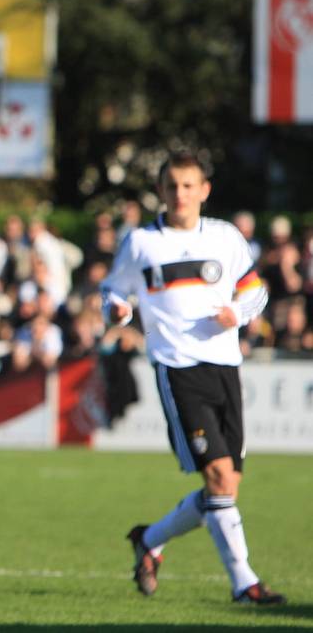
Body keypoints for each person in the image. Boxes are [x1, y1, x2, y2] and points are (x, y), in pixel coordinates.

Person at [101, 153, 285, 605]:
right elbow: (112, 291)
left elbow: (254, 290)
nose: (179, 194)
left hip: (225, 367)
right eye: (171, 186)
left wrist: (236, 313)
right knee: (220, 477)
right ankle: (245, 583)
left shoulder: (225, 237)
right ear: (161, 191)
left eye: (188, 186)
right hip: (177, 369)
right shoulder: (142, 242)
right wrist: (119, 310)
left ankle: (150, 540)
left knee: (224, 487)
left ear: (204, 190)